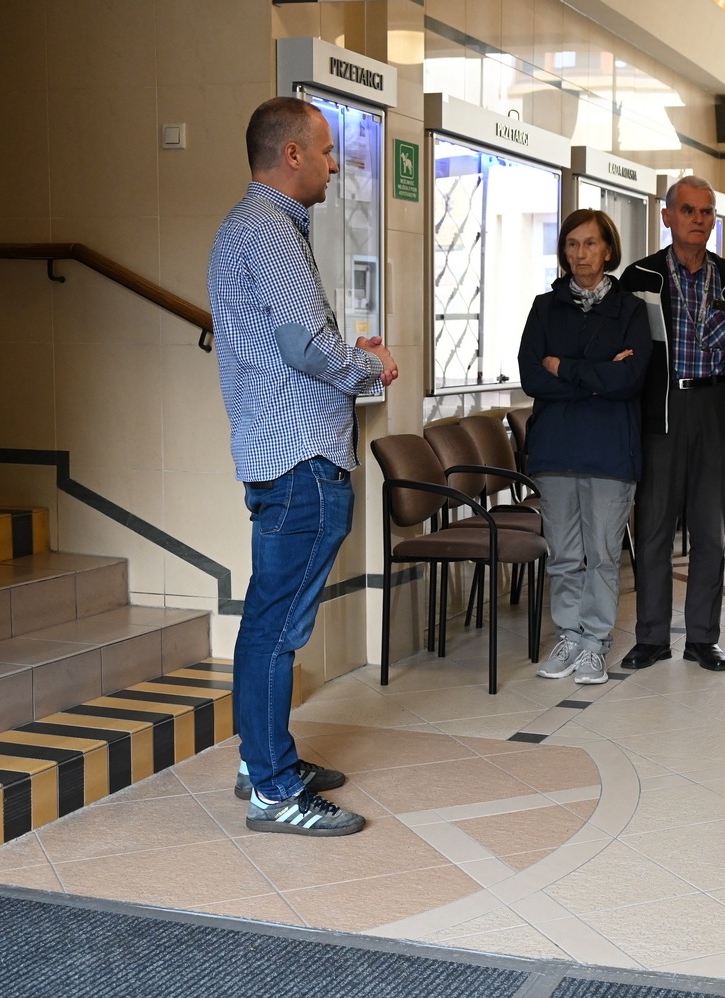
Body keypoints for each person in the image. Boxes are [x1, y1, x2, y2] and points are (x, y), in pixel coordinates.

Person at [209, 97, 398, 837]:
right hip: (301, 461)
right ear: (291, 154)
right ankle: (274, 791)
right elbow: (307, 349)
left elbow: (291, 342)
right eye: (324, 151)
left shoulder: (253, 225)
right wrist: (373, 367)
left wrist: (349, 356)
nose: (333, 165)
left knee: (269, 621)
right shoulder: (268, 228)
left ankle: (263, 761)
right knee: (276, 628)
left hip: (281, 456)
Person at [618, 177, 725, 673]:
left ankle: (702, 638)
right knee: (654, 528)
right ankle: (652, 637)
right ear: (667, 216)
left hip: (714, 409)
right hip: (661, 412)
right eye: (689, 210)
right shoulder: (640, 277)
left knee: (710, 533)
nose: (699, 219)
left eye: (707, 211)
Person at [519, 209, 652, 686]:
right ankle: (569, 637)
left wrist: (565, 368)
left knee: (601, 554)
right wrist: (598, 375)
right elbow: (531, 376)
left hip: (610, 452)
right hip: (555, 451)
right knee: (563, 554)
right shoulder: (544, 307)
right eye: (572, 244)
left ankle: (595, 643)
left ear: (608, 250)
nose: (580, 254)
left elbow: (629, 380)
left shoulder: (631, 309)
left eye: (590, 243)